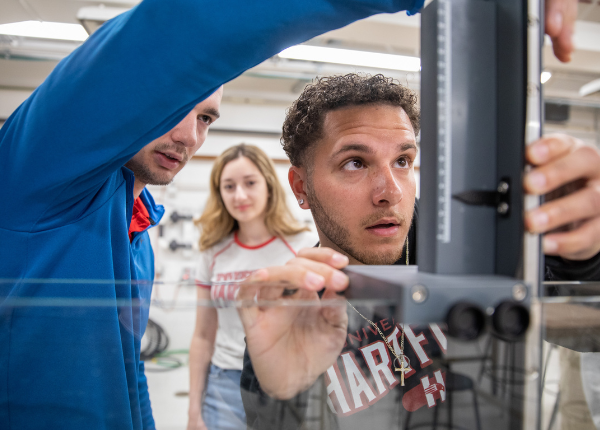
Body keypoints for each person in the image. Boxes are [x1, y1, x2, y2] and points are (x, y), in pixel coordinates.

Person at [0, 0, 580, 428]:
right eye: (173, 107)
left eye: (206, 118)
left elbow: (114, 382)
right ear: (301, 188)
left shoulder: (133, 224)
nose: (187, 135)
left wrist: (585, 249)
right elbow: (180, 29)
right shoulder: (36, 172)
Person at [236, 73, 600, 428]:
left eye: (403, 161)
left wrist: (581, 253)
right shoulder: (296, 310)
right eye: (355, 163)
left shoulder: (465, 241)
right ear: (301, 186)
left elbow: (586, 332)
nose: (390, 192)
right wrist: (288, 397)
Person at [187, 144, 316, 430]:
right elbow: (203, 335)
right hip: (224, 382)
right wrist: (194, 410)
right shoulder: (213, 251)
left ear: (269, 186)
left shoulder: (301, 246)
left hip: (281, 381)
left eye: (250, 183)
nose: (240, 195)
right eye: (229, 186)